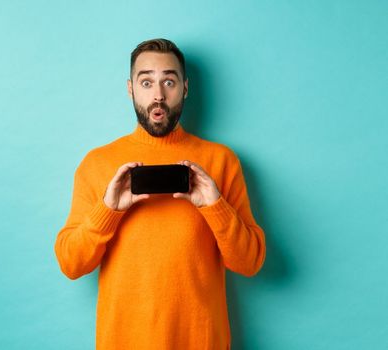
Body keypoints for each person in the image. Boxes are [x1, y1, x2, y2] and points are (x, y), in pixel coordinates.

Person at [53, 38, 266, 349]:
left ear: (185, 88)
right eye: (146, 81)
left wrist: (215, 206)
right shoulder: (96, 163)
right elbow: (71, 264)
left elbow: (250, 263)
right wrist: (108, 210)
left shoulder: (221, 161)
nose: (158, 95)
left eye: (169, 80)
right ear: (130, 89)